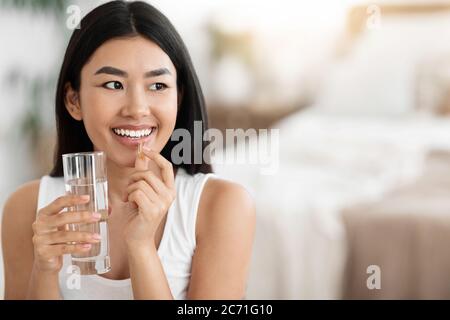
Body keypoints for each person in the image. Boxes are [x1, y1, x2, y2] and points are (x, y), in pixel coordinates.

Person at [2, 0, 255, 300]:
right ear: (74, 101)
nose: (137, 109)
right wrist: (44, 271)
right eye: (113, 84)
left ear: (179, 97)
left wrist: (142, 247)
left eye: (158, 86)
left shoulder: (221, 206)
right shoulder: (27, 208)